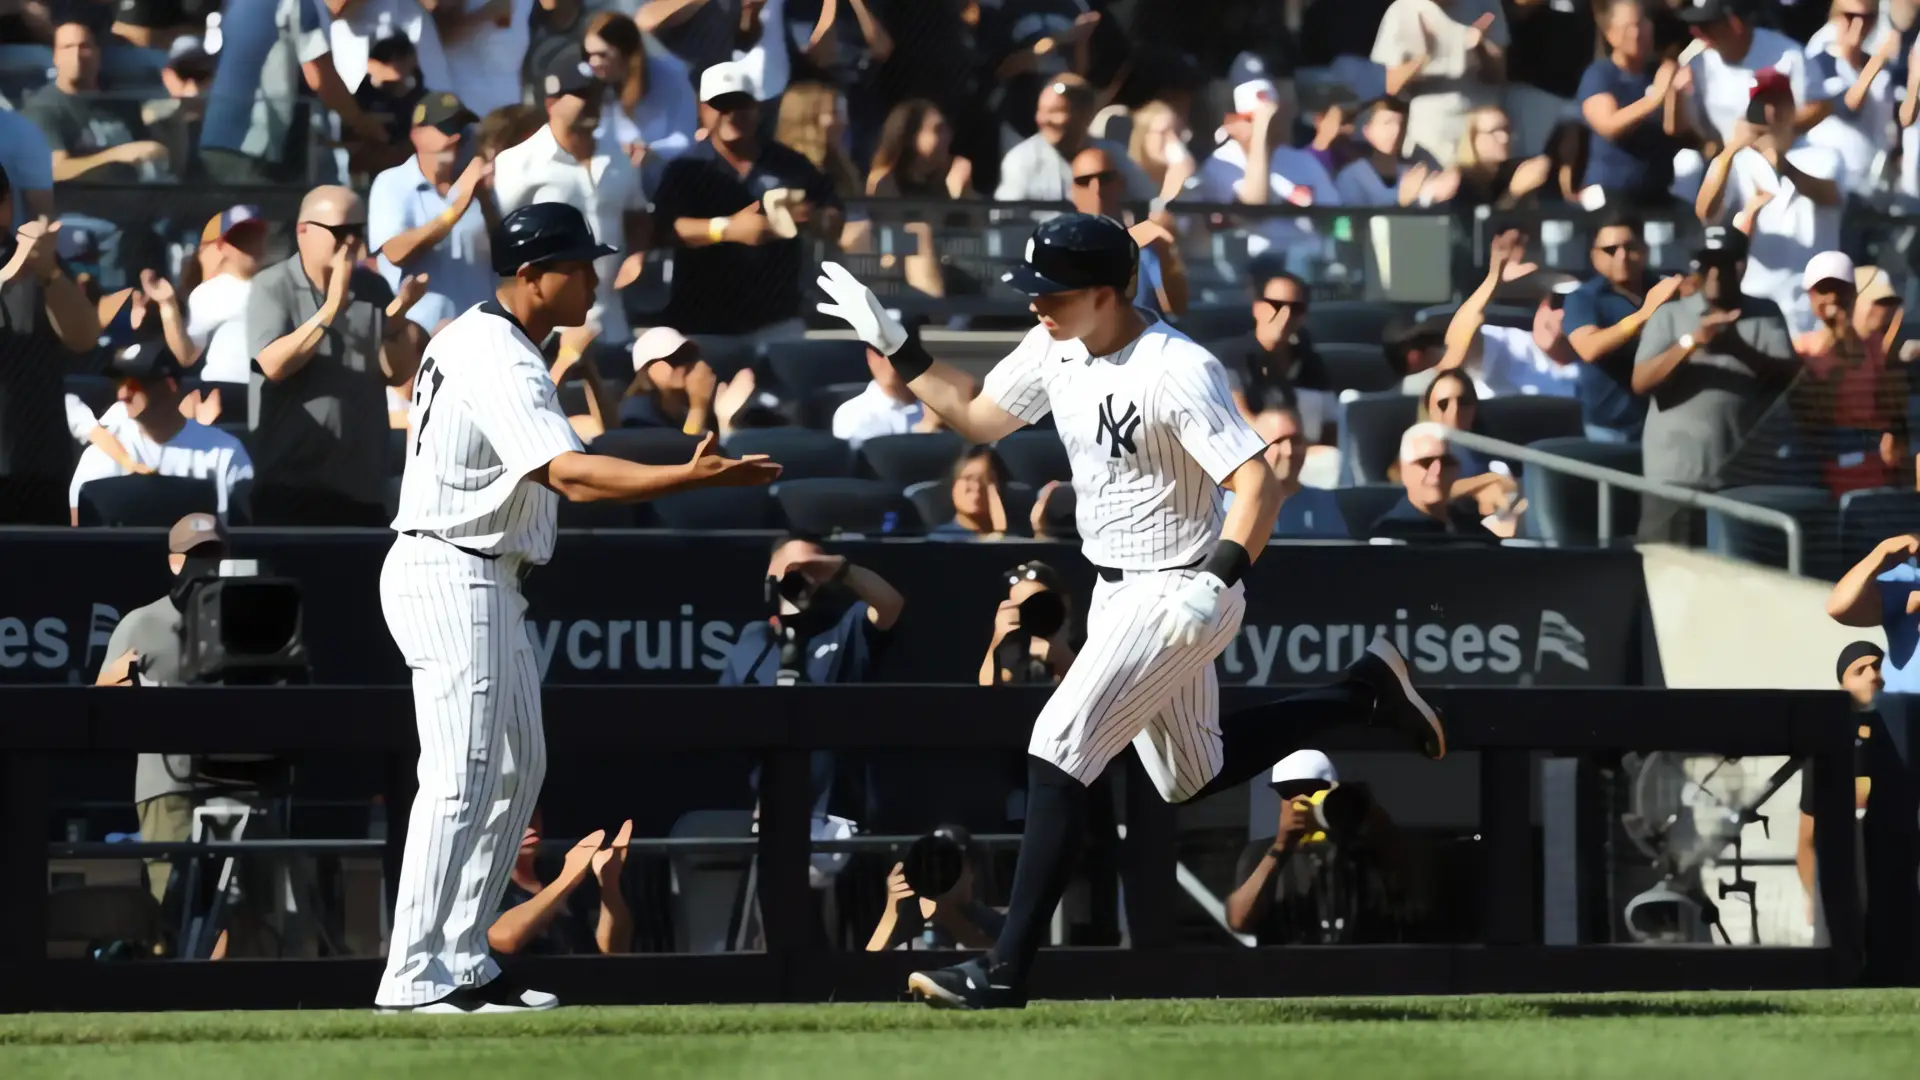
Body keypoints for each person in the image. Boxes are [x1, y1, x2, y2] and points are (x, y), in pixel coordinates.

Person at [814, 212, 1447, 1009]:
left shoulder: (1176, 367)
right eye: (1035, 289)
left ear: (1112, 292)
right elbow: (977, 414)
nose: (1038, 303)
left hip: (1182, 584)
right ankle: (1361, 692)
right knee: (1192, 774)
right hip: (1117, 588)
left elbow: (1258, 488)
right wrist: (899, 343)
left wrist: (1215, 580)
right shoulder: (1056, 343)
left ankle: (1003, 971)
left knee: (1059, 744)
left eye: (1056, 291)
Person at [375, 201, 783, 1014]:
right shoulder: (498, 351)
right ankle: (413, 974)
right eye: (578, 265)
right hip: (453, 568)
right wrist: (688, 478)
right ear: (532, 277)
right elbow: (571, 475)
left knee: (515, 772)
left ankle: (461, 957)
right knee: (459, 777)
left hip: (482, 573)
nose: (594, 278)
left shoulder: (485, 339)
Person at [246, 185, 428, 526]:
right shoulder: (273, 286)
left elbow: (396, 372)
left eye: (359, 233)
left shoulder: (373, 287)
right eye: (341, 232)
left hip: (360, 486)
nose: (351, 243)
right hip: (290, 488)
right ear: (303, 231)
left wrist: (399, 316)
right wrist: (331, 308)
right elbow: (272, 365)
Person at [646, 60, 842, 347]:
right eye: (720, 105)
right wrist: (726, 229)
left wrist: (810, 218)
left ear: (758, 107)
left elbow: (834, 216)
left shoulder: (790, 165)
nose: (731, 114)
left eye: (741, 104)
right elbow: (663, 230)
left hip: (778, 320)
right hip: (702, 324)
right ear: (702, 109)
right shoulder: (685, 168)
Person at [1631, 225, 1797, 544]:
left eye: (1725, 262)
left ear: (1742, 265)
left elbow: (1791, 377)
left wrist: (1738, 348)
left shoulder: (1765, 313)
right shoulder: (1670, 316)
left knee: (1738, 578)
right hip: (1675, 477)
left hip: (1742, 478)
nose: (1716, 273)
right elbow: (1641, 381)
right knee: (1664, 572)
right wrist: (1691, 343)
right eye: (1708, 263)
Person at [493, 47, 649, 356]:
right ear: (551, 101)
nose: (592, 101)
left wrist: (638, 254)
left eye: (597, 92)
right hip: (546, 332)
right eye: (581, 93)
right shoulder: (516, 163)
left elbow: (637, 214)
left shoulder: (619, 156)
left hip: (612, 324)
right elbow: (499, 247)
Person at [1693, 71, 1845, 337]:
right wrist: (1730, 150)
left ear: (1791, 107)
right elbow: (1706, 213)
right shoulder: (1740, 161)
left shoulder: (1824, 152)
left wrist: (1781, 163)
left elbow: (1828, 195)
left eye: (1775, 103)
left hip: (1812, 306)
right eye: (1759, 106)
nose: (1768, 113)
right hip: (1757, 300)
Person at [0, 165, 103, 525]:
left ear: (7, 206)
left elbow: (84, 337)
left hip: (37, 464)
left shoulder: (37, 261)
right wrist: (11, 272)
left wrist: (50, 274)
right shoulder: (16, 265)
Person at [198, 0, 389, 185]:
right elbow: (320, 77)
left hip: (214, 137)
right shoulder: (299, 3)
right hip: (253, 144)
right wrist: (361, 122)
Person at [68, 340, 253, 524]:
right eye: (119, 383)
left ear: (170, 385)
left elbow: (242, 538)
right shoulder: (99, 456)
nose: (123, 394)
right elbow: (78, 535)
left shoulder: (225, 453)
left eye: (134, 384)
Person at [1181, 59, 1341, 268]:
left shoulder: (1301, 160)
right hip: (1250, 266)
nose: (1267, 127)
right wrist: (1260, 136)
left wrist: (1310, 213)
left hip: (1308, 262)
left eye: (1272, 118)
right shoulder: (1221, 163)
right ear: (1233, 121)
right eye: (1254, 120)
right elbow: (1254, 208)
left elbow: (1338, 218)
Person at [369, 92, 497, 334]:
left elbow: (504, 257)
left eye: (462, 128)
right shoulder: (393, 182)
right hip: (420, 341)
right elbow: (396, 252)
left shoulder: (477, 183)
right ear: (417, 134)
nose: (456, 137)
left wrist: (486, 200)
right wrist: (458, 206)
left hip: (479, 337)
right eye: (446, 127)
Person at [1792, 250, 1906, 498]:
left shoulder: (1873, 345)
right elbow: (1814, 412)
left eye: (1840, 289)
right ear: (1810, 297)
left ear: (1853, 294)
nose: (1833, 297)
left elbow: (1889, 404)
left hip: (1872, 464)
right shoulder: (1801, 349)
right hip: (1825, 466)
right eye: (1823, 290)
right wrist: (1838, 341)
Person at [1562, 213, 1682, 442]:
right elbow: (1589, 347)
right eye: (1610, 250)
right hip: (1611, 430)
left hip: (1666, 423)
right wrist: (1644, 315)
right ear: (1594, 256)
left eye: (1630, 247)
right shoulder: (1584, 298)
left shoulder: (1664, 288)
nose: (1622, 256)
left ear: (1645, 250)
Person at [1432, 231, 1582, 401]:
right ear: (1542, 305)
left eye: (1572, 308)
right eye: (1556, 302)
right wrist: (1494, 279)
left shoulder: (1595, 363)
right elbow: (1451, 354)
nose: (1560, 314)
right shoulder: (1508, 344)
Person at [1796, 640, 1880, 933]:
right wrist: (1815, 898)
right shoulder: (1827, 748)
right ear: (1843, 685)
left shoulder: (1903, 741)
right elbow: (1806, 840)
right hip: (1844, 901)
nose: (1874, 676)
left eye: (1878, 666)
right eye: (1861, 670)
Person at [26, 22, 173, 183]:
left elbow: (149, 150)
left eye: (84, 47)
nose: (76, 55)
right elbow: (56, 171)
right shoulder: (42, 107)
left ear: (97, 53)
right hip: (82, 200)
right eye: (67, 47)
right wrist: (117, 155)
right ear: (55, 57)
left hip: (138, 192)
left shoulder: (120, 100)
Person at [1371, 0, 1508, 167]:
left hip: (1480, 124)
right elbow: (1391, 86)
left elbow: (1498, 76)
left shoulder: (1486, 4)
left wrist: (1481, 47)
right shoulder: (1401, 10)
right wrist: (1423, 58)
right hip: (1431, 128)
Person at [1577, 0, 1687, 208]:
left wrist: (1675, 93)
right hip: (1611, 190)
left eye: (1640, 24)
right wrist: (1654, 98)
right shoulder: (1600, 74)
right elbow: (1609, 125)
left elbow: (1675, 128)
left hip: (1657, 190)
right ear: (1610, 34)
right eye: (1627, 28)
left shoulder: (1659, 71)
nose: (1636, 34)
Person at [1209, 260, 1335, 442]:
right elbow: (1239, 420)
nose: (1285, 316)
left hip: (1312, 459)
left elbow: (1331, 427)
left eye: (1296, 309)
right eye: (1276, 305)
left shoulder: (1311, 362)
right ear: (1257, 308)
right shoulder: (1233, 357)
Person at [582, 10, 697, 190]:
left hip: (663, 184)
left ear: (626, 52)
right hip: (605, 184)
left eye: (603, 55)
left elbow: (685, 137)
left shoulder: (670, 75)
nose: (593, 62)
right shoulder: (585, 78)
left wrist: (651, 151)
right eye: (589, 54)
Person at [489, 814, 633, 956]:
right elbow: (504, 938)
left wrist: (609, 880)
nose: (528, 823)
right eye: (514, 816)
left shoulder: (558, 880)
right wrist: (568, 877)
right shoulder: (485, 889)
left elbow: (615, 951)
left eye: (533, 814)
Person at [996, 73, 1153, 203]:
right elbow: (1006, 221)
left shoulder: (1111, 156)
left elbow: (1147, 202)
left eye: (1056, 111)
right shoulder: (1020, 159)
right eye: (1042, 111)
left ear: (1085, 114)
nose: (1044, 119)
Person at [1068, 145, 1186, 318]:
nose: (1096, 189)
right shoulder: (1059, 243)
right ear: (1072, 191)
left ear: (1120, 183)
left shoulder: (1147, 244)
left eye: (1105, 178)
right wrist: (1125, 242)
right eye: (1084, 181)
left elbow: (1177, 309)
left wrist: (1165, 251)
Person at [1805, 0, 1901, 193]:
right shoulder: (1820, 61)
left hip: (1874, 182)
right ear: (1835, 17)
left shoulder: (1882, 71)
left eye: (1867, 18)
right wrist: (1879, 59)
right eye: (1850, 16)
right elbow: (1850, 107)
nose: (1859, 25)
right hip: (1834, 181)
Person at [184, 206, 270, 390]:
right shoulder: (206, 294)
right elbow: (189, 354)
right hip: (221, 390)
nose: (249, 247)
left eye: (255, 238)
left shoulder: (279, 288)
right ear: (223, 246)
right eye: (240, 240)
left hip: (268, 393)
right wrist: (167, 308)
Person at [1369, 421, 1499, 540]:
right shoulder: (1389, 534)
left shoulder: (1471, 528)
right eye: (1425, 462)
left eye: (1446, 462)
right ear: (1404, 471)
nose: (1437, 471)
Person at [1334, 96, 1455, 208]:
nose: (1396, 130)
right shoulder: (1351, 177)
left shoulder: (1415, 166)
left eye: (1401, 124)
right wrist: (1401, 202)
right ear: (1367, 130)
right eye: (1387, 123)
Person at [981, 560, 1078, 686]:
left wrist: (1058, 648)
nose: (1032, 614)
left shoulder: (1086, 638)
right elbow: (987, 688)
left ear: (1063, 604)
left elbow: (1088, 686)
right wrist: (997, 640)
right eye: (1022, 607)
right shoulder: (1014, 647)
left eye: (1039, 605)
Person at [831, 344, 932, 449]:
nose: (892, 360)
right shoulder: (851, 414)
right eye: (886, 351)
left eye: (902, 351)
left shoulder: (938, 406)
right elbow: (873, 462)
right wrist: (928, 432)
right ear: (871, 356)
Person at [926, 444, 1011, 541]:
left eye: (987, 480)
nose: (976, 487)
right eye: (968, 478)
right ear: (953, 484)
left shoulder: (1019, 539)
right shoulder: (938, 541)